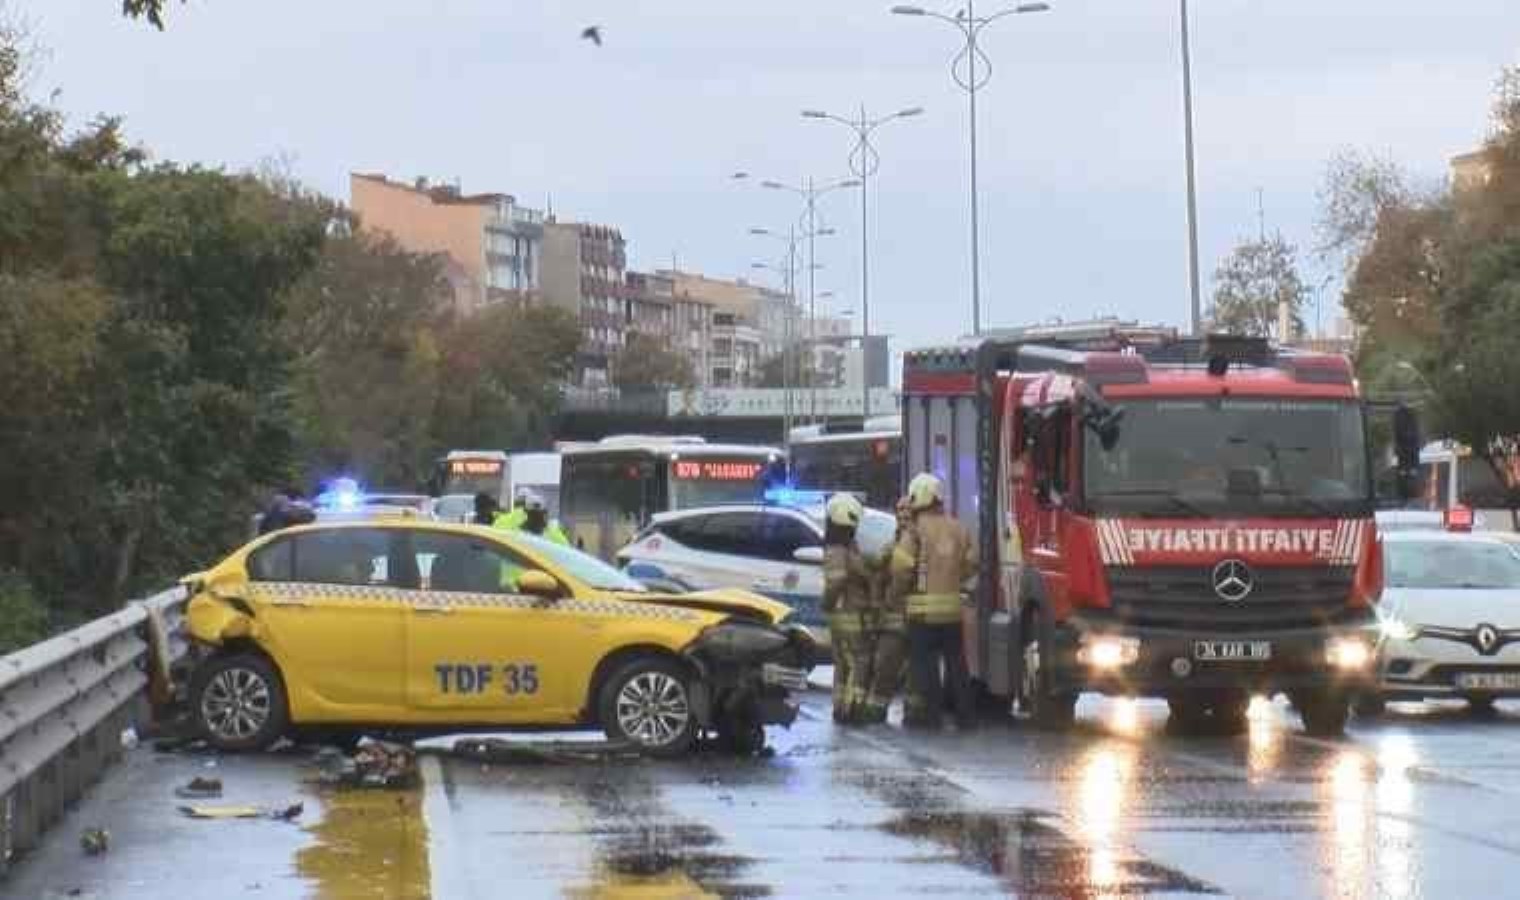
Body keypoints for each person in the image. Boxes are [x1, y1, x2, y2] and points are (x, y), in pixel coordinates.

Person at [891, 472, 978, 730]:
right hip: (952, 612)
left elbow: (900, 568)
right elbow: (972, 562)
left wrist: (898, 594)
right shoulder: (959, 528)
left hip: (922, 614)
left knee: (925, 666)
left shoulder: (914, 531)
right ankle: (966, 717)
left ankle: (930, 718)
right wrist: (954, 578)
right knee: (957, 665)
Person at [822, 494, 876, 726]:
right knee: (859, 661)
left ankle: (840, 707)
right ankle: (853, 708)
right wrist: (827, 602)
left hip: (842, 615)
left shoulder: (841, 547)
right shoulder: (840, 549)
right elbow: (837, 581)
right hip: (850, 615)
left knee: (843, 664)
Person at [858, 497, 912, 725]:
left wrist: (888, 601)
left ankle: (880, 710)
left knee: (890, 666)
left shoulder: (913, 541)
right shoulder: (895, 542)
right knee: (884, 665)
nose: (901, 514)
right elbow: (881, 573)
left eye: (906, 509)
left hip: (907, 614)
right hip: (894, 617)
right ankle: (875, 711)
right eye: (898, 509)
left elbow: (902, 577)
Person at [494, 490, 570, 546]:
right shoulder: (554, 535)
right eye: (534, 514)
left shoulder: (503, 523)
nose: (538, 518)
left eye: (539, 514)